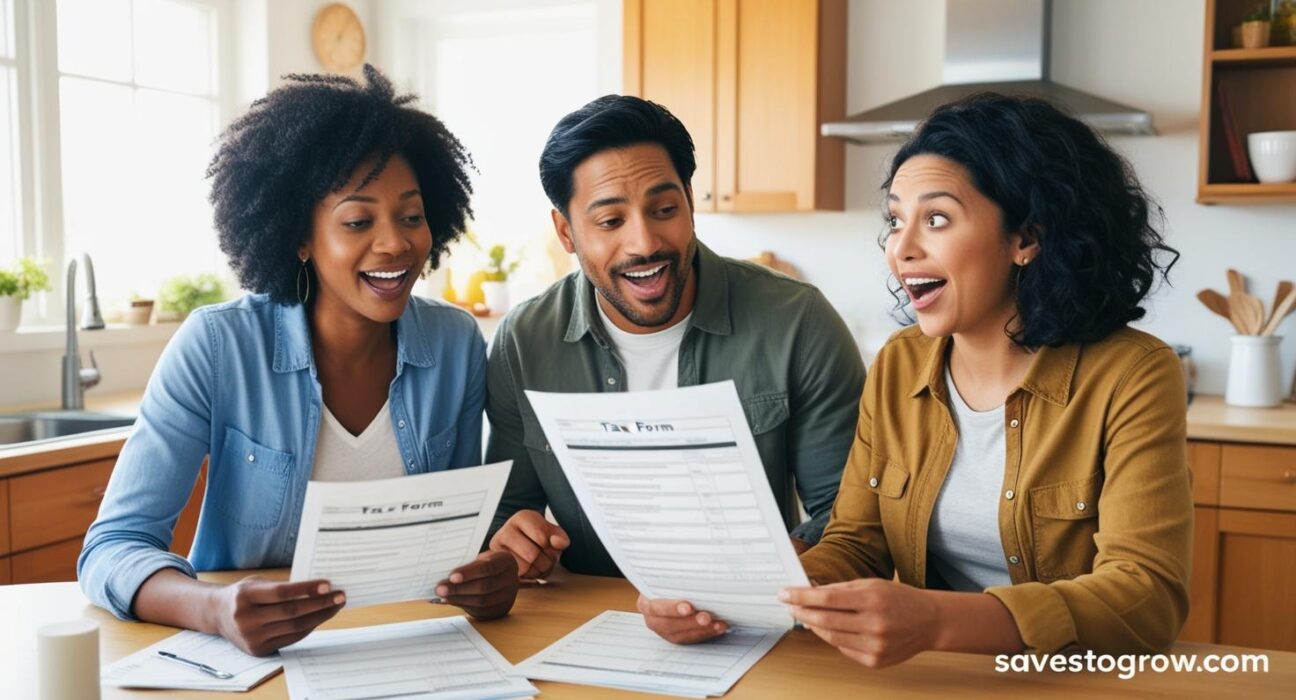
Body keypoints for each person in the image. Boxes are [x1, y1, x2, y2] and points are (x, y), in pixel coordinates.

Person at [648, 93, 1192, 658]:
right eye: (895, 220)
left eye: (935, 219)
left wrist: (936, 621)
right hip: (934, 678)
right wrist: (727, 597)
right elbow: (857, 545)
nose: (900, 249)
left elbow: (1146, 595)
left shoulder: (1134, 375)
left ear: (1026, 238)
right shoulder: (899, 363)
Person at [78, 65, 517, 657]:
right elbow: (112, 547)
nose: (395, 243)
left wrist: (487, 572)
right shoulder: (218, 346)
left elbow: (461, 540)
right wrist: (213, 608)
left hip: (413, 650)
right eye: (358, 221)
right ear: (299, 238)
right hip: (261, 664)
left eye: (411, 216)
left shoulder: (455, 343)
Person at [484, 95, 866, 636]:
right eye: (611, 220)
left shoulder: (797, 321)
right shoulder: (524, 341)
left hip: (756, 626)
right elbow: (507, 514)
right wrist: (514, 542)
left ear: (689, 200)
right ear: (566, 232)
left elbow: (850, 520)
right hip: (593, 624)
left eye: (664, 210)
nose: (645, 242)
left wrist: (746, 590)